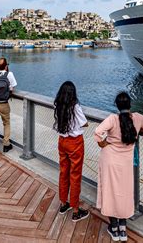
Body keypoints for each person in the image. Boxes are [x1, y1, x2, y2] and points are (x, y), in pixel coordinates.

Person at [94, 92, 143, 241]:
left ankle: (113, 227)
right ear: (130, 105)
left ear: (116, 105)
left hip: (109, 159)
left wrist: (104, 143)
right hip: (126, 162)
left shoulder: (113, 119)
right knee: (125, 193)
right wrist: (140, 129)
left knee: (110, 192)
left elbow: (97, 132)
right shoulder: (138, 118)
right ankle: (123, 228)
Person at [53, 81, 90, 222]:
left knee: (64, 172)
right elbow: (83, 123)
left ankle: (63, 203)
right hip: (75, 143)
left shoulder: (58, 105)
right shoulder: (75, 106)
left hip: (62, 141)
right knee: (75, 175)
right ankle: (75, 210)